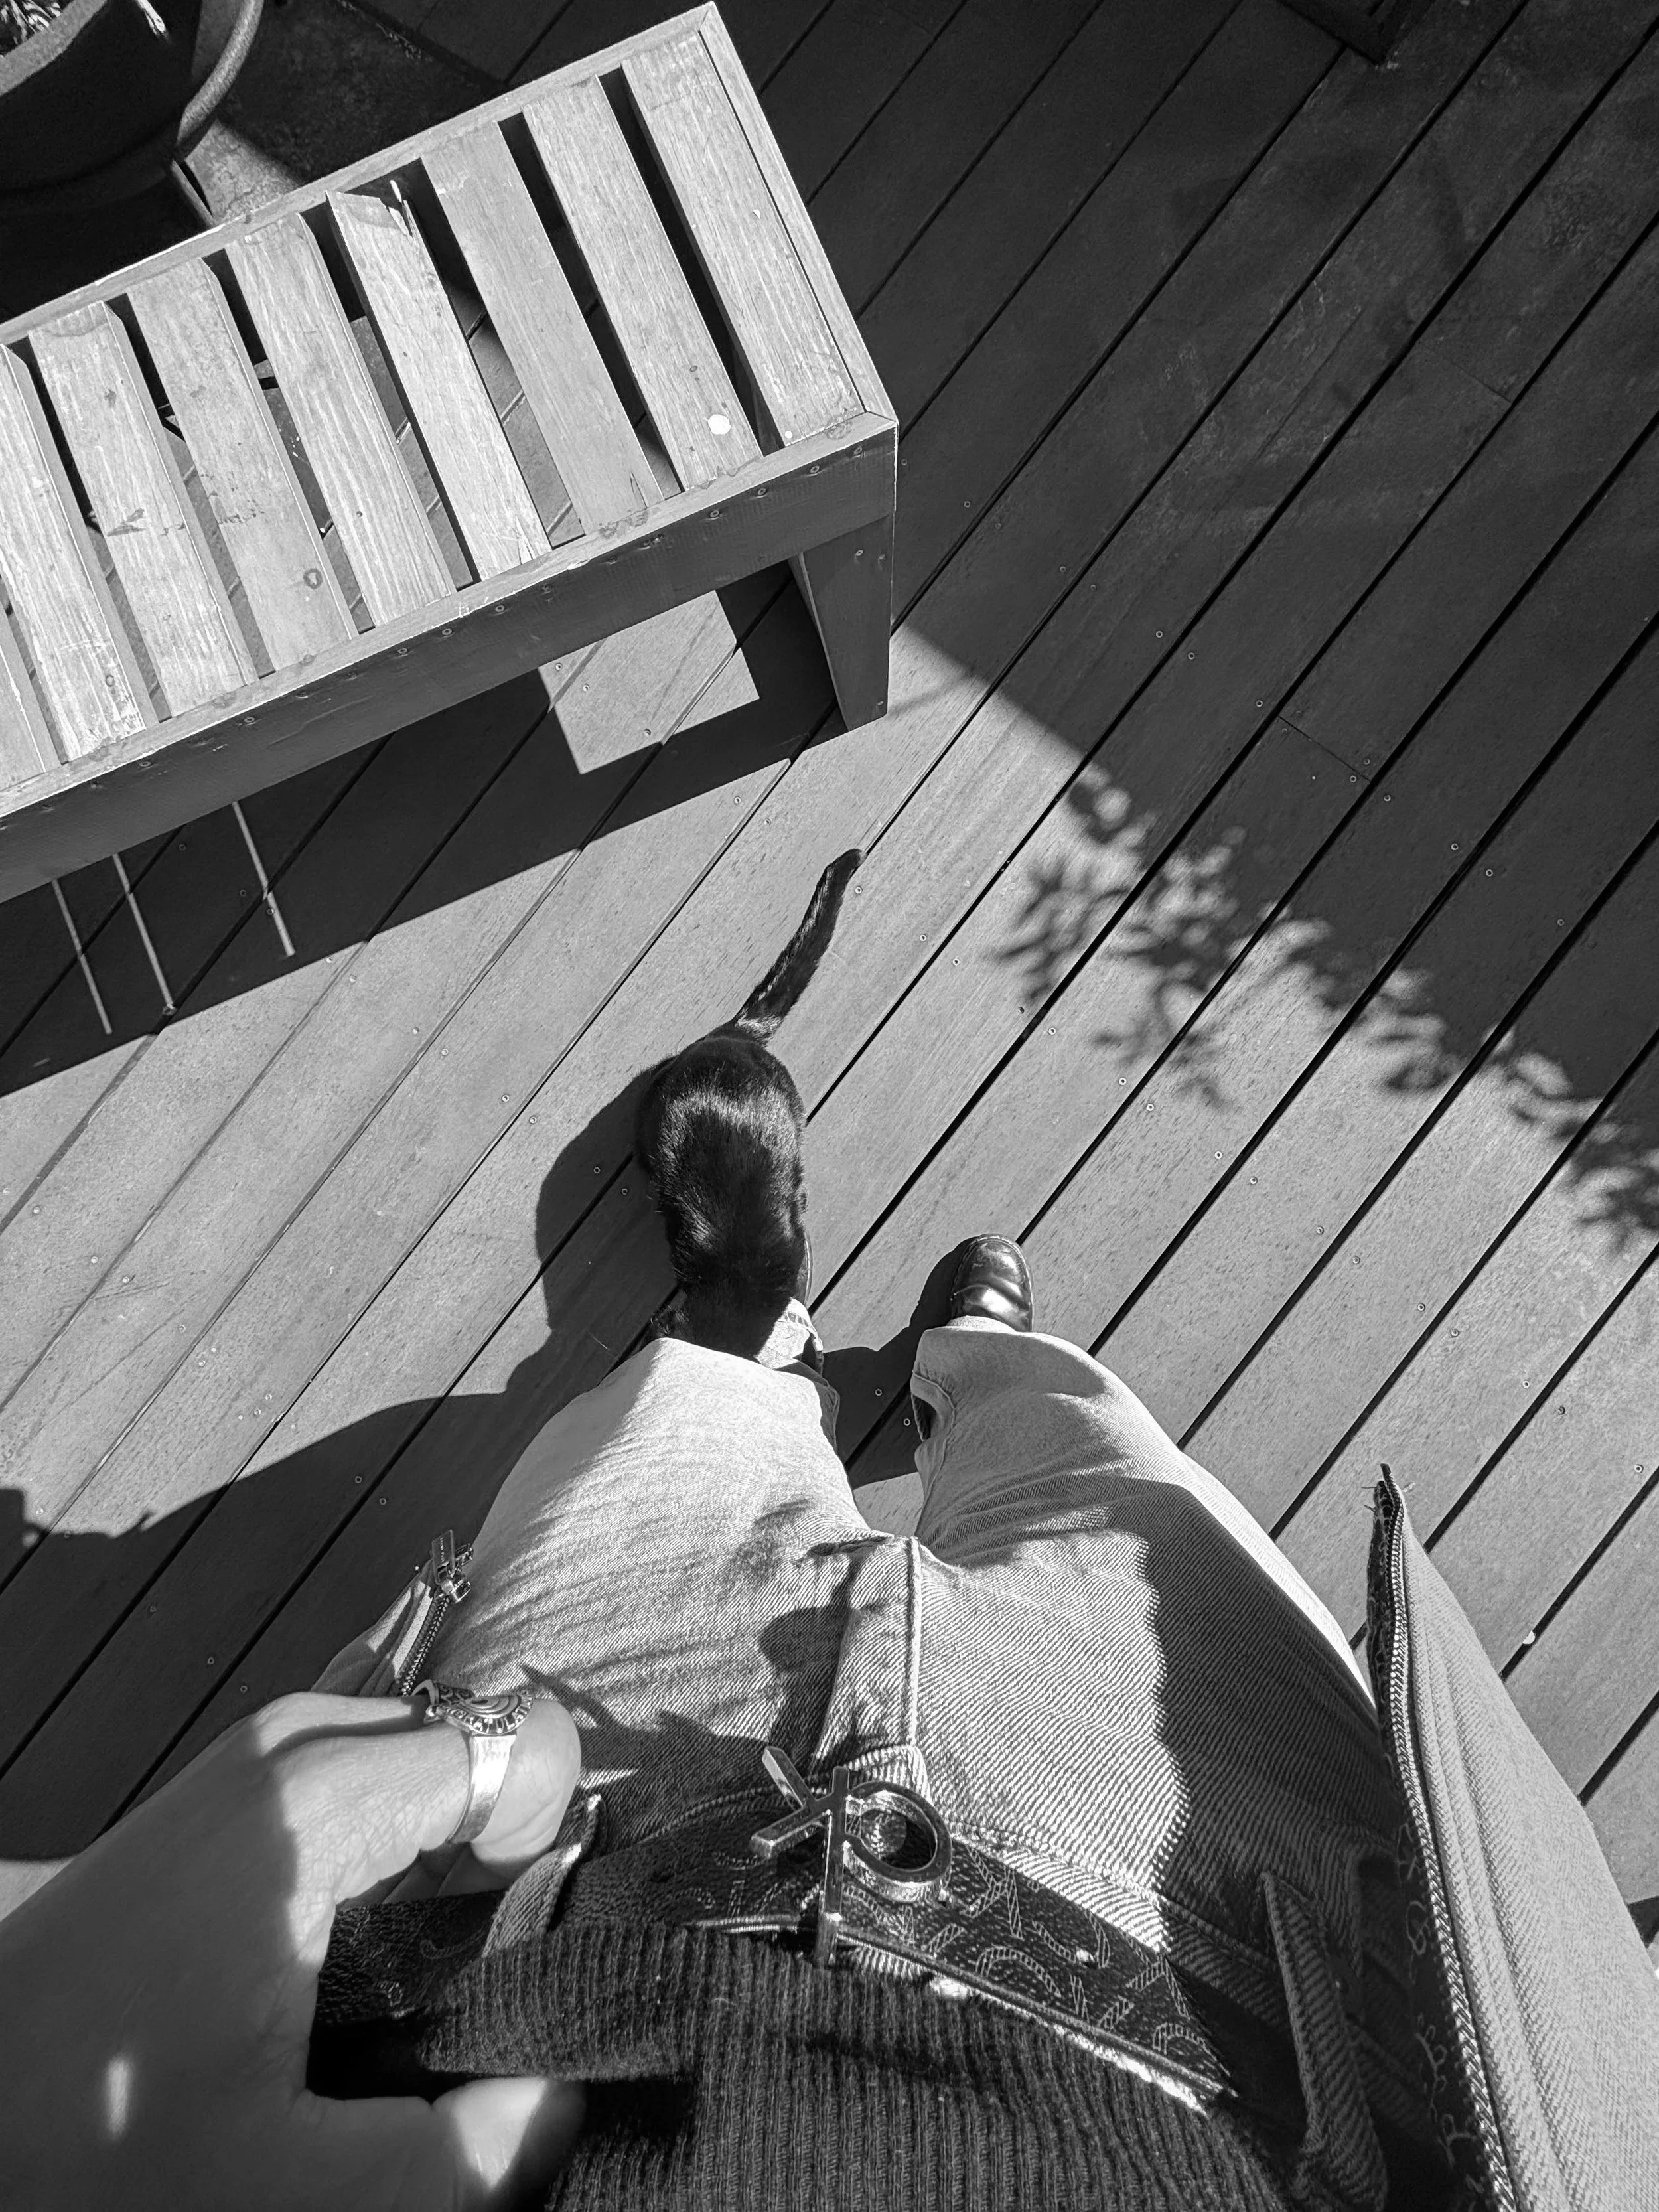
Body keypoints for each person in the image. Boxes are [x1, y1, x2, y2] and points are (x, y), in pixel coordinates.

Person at [0, 1238, 1450, 2210]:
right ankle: (970, 1364)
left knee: (663, 1416)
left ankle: (771, 1373)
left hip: (561, 1888)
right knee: (1100, 1456)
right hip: (1251, 1963)